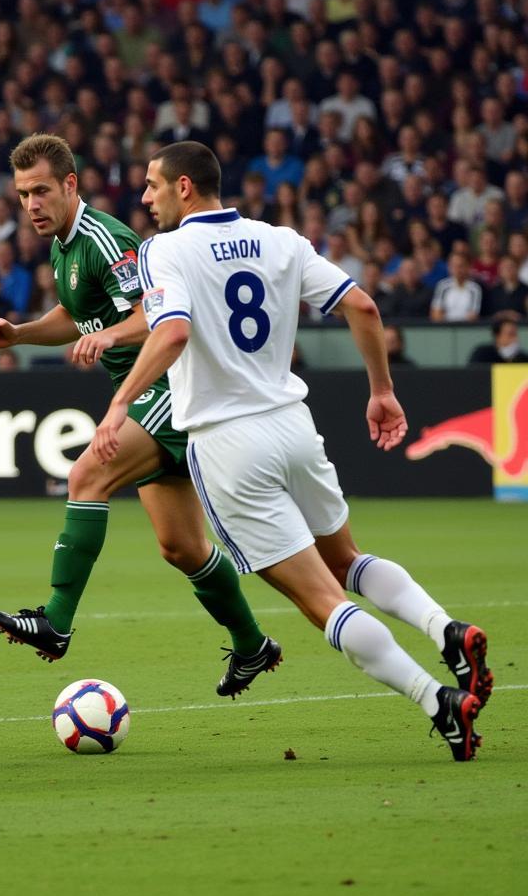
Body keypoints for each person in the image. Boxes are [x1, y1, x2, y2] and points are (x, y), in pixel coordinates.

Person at [92, 141, 491, 761]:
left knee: (320, 600)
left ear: (185, 189)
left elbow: (172, 329)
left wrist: (119, 404)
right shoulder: (279, 239)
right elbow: (362, 303)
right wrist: (381, 390)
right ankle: (446, 628)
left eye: (152, 186)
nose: (144, 198)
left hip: (227, 443)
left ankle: (436, 701)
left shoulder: (163, 250)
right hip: (294, 425)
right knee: (346, 560)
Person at [0, 133, 271, 698]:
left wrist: (114, 335)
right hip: (142, 391)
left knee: (86, 475)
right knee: (182, 547)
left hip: (168, 384)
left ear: (70, 184)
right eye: (22, 195)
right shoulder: (63, 246)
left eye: (41, 190)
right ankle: (253, 645)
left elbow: (156, 314)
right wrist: (21, 334)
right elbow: (75, 313)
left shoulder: (104, 238)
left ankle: (56, 621)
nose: (32, 205)